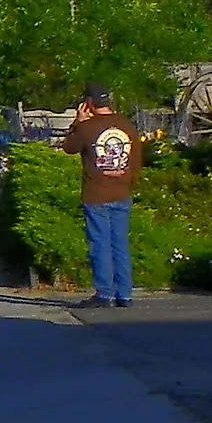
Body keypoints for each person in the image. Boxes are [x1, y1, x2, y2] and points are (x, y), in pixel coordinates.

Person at [60, 85, 142, 307]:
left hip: (96, 194)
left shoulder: (87, 128)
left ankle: (104, 294)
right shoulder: (126, 125)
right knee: (120, 244)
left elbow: (69, 147)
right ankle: (125, 294)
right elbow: (136, 158)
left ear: (89, 102)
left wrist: (78, 121)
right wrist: (128, 181)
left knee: (100, 245)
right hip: (122, 192)